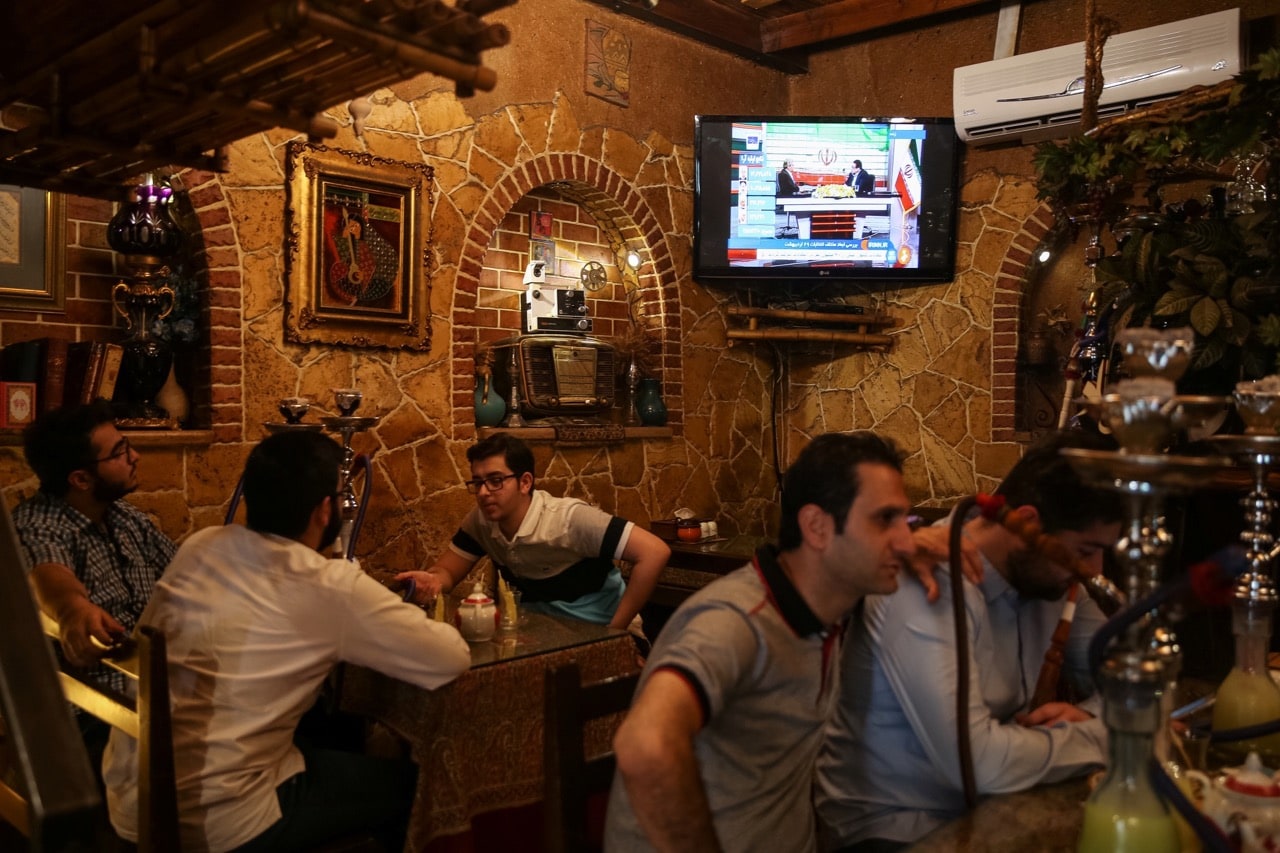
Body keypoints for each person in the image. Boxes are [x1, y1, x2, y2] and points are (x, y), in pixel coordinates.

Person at [102, 431, 471, 853]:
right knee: (420, 786)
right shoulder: (325, 584)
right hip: (225, 820)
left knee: (328, 733)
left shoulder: (203, 545)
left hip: (133, 800)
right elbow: (450, 658)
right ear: (324, 510)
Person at [603, 431, 918, 852]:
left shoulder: (827, 608)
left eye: (907, 522)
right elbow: (645, 745)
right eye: (884, 520)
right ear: (817, 527)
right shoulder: (736, 621)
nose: (908, 541)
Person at [814, 430, 1124, 852]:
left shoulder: (1054, 572)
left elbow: (1133, 686)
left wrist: (1089, 721)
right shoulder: (929, 581)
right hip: (893, 831)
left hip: (993, 808)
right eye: (1087, 550)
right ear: (1029, 524)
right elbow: (981, 764)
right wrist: (1115, 735)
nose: (1094, 569)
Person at [13, 399, 177, 765]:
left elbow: (186, 575)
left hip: (152, 695)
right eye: (120, 452)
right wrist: (74, 610)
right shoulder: (37, 525)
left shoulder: (126, 519)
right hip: (93, 721)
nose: (135, 456)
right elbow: (49, 574)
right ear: (81, 479)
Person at [396, 432, 670, 633]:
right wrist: (432, 582)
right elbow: (448, 572)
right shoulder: (480, 522)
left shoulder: (569, 519)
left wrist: (615, 630)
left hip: (600, 628)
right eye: (477, 482)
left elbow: (655, 552)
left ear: (525, 482)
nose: (483, 492)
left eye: (495, 481)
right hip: (540, 633)